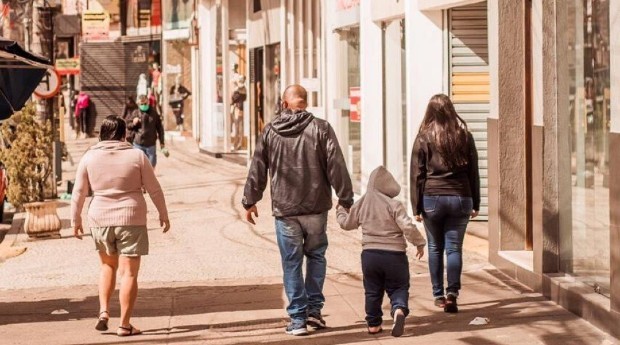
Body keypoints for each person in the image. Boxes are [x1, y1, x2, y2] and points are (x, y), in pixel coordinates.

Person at [242, 85, 353, 336]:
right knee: (316, 256)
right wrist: (345, 197)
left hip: (285, 208)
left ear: (284, 104)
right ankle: (313, 311)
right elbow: (336, 163)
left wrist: (250, 200)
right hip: (316, 207)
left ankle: (297, 320)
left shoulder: (271, 130)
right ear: (305, 103)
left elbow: (258, 166)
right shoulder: (321, 128)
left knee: (291, 262)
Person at [71, 116, 170, 337]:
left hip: (99, 218)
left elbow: (79, 191)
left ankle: (104, 311)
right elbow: (154, 188)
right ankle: (124, 325)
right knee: (129, 274)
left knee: (107, 267)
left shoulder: (89, 157)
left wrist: (75, 219)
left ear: (101, 134)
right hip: (131, 219)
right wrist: (163, 214)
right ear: (124, 134)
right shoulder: (137, 156)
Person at [410, 93, 480, 313]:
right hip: (460, 197)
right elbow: (473, 172)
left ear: (430, 112)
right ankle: (453, 294)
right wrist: (475, 202)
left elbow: (417, 175)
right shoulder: (464, 136)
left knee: (434, 248)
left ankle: (438, 294)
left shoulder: (424, 137)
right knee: (454, 248)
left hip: (432, 199)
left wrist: (416, 207)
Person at [336, 166, 426, 337]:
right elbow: (407, 226)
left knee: (372, 290)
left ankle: (373, 324)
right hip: (395, 256)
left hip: (370, 255)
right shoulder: (394, 204)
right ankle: (399, 309)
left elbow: (346, 224)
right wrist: (419, 243)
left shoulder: (361, 203)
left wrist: (340, 210)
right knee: (399, 286)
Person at [127, 95, 166, 168]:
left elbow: (160, 128)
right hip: (138, 143)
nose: (143, 105)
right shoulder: (135, 113)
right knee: (138, 166)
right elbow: (128, 126)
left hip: (151, 144)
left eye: (145, 103)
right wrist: (133, 123)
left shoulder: (154, 113)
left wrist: (162, 142)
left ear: (148, 102)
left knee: (151, 166)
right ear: (138, 104)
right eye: (141, 104)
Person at [230, 75, 247, 150]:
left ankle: (236, 144)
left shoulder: (238, 89)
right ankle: (238, 143)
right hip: (240, 109)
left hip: (237, 109)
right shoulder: (244, 89)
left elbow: (233, 99)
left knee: (237, 127)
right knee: (239, 127)